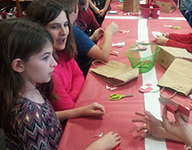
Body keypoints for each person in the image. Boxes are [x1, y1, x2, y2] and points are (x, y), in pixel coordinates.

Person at [0, 18, 120, 150]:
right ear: (19, 65)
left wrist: (80, 111)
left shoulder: (29, 89)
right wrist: (97, 148)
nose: (54, 63)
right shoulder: (26, 115)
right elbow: (36, 120)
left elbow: (47, 118)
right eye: (45, 57)